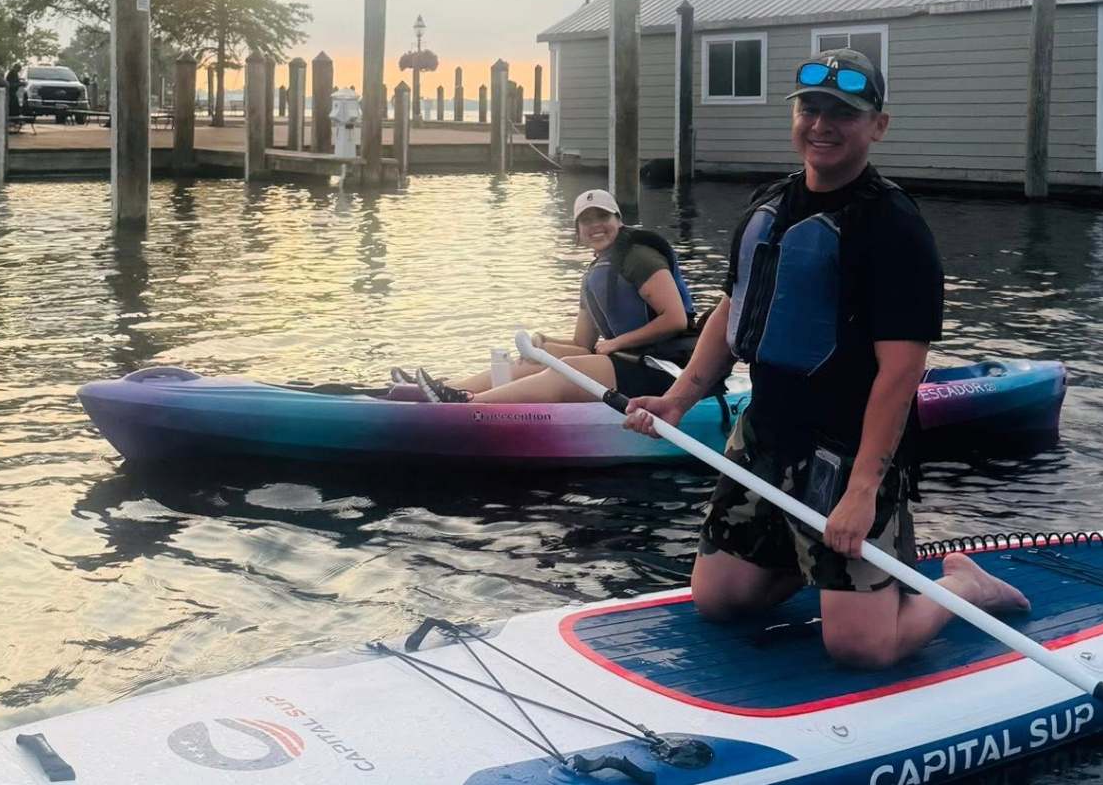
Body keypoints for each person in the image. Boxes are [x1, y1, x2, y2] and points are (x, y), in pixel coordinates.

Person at [622, 48, 1027, 669]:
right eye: (810, 108)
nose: (822, 125)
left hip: (845, 452)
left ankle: (959, 585)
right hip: (764, 437)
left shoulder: (894, 228)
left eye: (844, 113)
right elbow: (732, 311)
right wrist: (679, 397)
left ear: (877, 126)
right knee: (720, 603)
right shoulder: (769, 207)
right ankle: (817, 561)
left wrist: (863, 489)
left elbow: (900, 373)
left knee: (863, 648)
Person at [411, 189, 699, 404]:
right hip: (628, 361)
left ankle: (469, 405)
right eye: (587, 220)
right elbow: (582, 344)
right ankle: (447, 388)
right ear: (578, 230)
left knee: (569, 369)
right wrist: (545, 344)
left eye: (603, 216)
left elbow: (674, 319)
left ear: (619, 220)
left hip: (666, 369)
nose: (596, 225)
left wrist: (616, 343)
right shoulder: (596, 272)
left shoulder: (639, 257)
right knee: (537, 359)